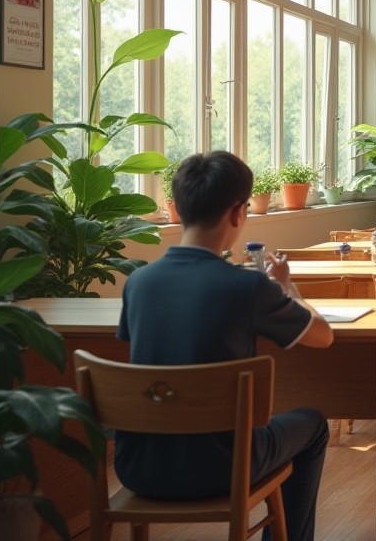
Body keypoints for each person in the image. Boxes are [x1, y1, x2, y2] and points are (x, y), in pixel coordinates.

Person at [116, 152, 334, 541]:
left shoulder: (138, 283)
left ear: (178, 209)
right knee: (314, 423)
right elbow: (323, 336)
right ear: (238, 213)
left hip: (139, 466)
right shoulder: (247, 287)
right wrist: (287, 288)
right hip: (221, 466)